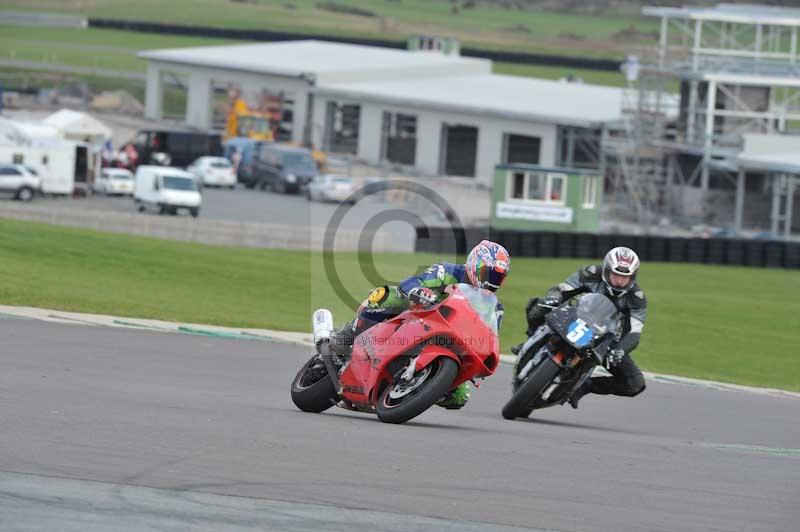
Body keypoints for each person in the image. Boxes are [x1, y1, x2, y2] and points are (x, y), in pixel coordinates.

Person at [331, 240, 511, 410]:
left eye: (498, 277)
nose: (491, 281)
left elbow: (488, 335)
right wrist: (419, 291)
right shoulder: (447, 271)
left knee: (460, 396)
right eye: (488, 274)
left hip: (450, 342)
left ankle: (413, 391)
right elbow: (412, 282)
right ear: (474, 263)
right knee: (388, 296)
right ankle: (348, 336)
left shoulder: (494, 308)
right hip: (417, 318)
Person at [521, 246, 647, 409]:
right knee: (537, 305)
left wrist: (620, 350)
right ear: (606, 269)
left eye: (625, 277)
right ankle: (531, 340)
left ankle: (584, 386)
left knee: (635, 384)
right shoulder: (591, 273)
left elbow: (634, 333)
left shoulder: (637, 298)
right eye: (616, 275)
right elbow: (562, 289)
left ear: (633, 276)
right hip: (575, 319)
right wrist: (553, 298)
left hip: (607, 341)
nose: (619, 281)